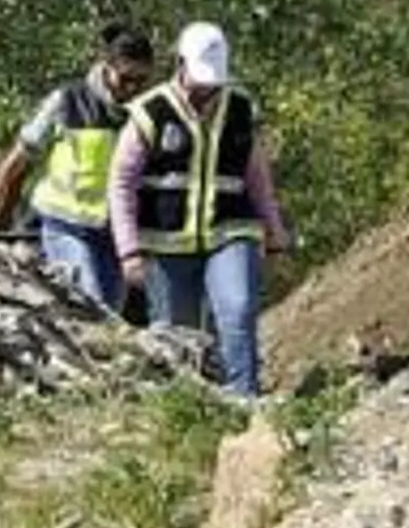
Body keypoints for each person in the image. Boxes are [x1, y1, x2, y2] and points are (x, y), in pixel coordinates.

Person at [107, 21, 294, 399]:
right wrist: (128, 251)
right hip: (167, 243)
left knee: (237, 311)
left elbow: (257, 176)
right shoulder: (149, 113)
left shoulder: (240, 109)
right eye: (200, 79)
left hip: (230, 231)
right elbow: (121, 184)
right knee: (178, 336)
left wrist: (275, 231)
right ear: (180, 64)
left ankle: (245, 399)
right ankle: (187, 409)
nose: (206, 89)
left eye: (214, 82)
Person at [0, 22, 156, 312]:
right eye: (126, 79)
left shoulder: (146, 116)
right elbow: (25, 151)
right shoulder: (68, 101)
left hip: (112, 236)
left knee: (111, 315)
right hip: (64, 225)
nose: (132, 88)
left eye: (141, 81)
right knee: (90, 305)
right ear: (106, 66)